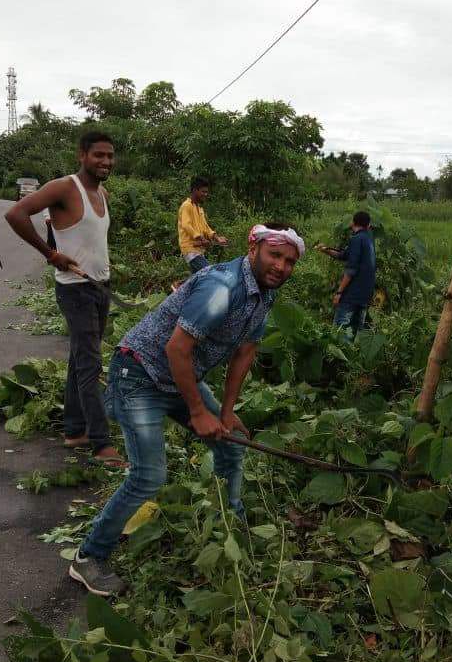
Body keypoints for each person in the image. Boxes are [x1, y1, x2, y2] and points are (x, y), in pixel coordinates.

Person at [69, 222, 305, 596]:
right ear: (253, 248)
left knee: (231, 446)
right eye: (275, 255)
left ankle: (232, 524)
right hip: (140, 375)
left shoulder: (265, 294)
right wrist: (198, 412)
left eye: (289, 261)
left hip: (181, 378)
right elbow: (176, 349)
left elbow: (245, 352)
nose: (281, 266)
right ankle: (88, 557)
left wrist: (225, 412)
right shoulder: (222, 287)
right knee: (148, 476)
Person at [4, 131, 125, 468]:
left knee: (79, 360)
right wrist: (50, 254)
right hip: (75, 290)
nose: (105, 162)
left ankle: (74, 430)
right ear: (82, 155)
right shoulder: (64, 187)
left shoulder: (101, 193)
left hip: (99, 287)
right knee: (90, 364)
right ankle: (101, 444)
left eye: (110, 156)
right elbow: (16, 214)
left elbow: (92, 238)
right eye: (98, 155)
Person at [316, 210, 377, 338]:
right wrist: (326, 250)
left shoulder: (356, 239)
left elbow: (351, 270)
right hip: (365, 295)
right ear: (368, 225)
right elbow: (344, 255)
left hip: (352, 294)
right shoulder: (368, 238)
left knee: (340, 333)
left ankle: (338, 358)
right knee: (356, 334)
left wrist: (339, 292)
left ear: (353, 222)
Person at [177, 177, 228, 273]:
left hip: (198, 250)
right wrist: (201, 239)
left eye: (206, 192)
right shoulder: (186, 206)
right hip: (190, 249)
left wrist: (217, 238)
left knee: (198, 279)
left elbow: (205, 227)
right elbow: (186, 225)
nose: (206, 194)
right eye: (203, 192)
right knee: (210, 274)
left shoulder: (199, 208)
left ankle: (184, 287)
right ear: (194, 190)